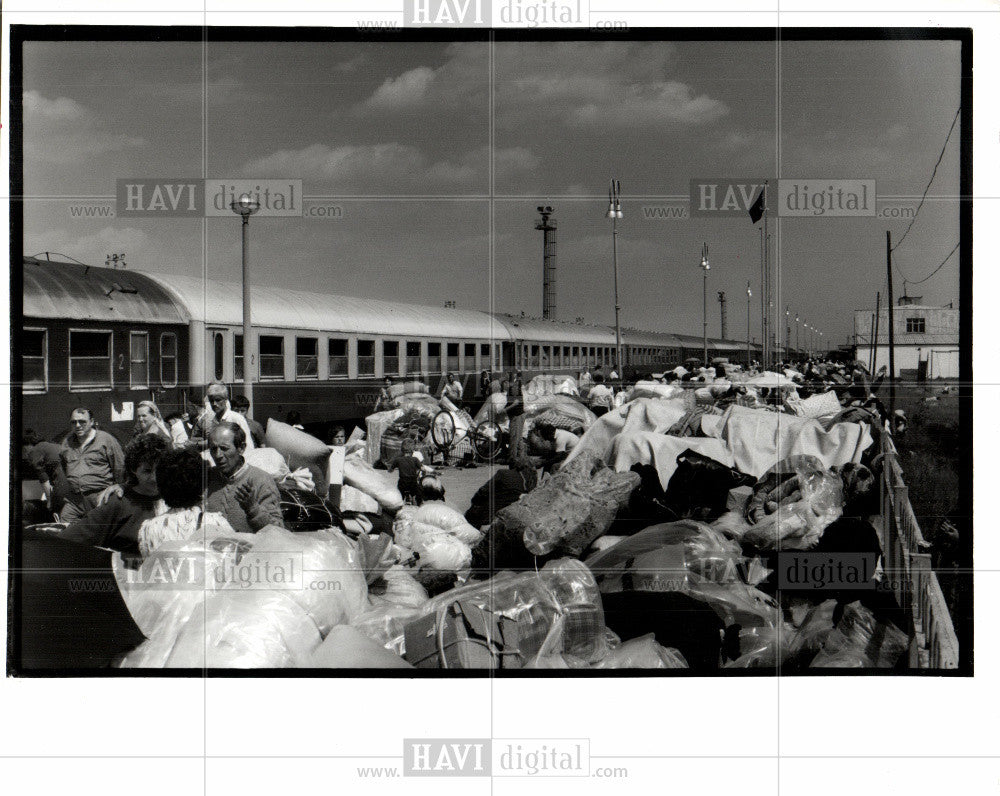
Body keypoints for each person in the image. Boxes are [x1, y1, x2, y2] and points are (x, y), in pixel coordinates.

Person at [62, 434, 169, 555]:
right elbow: (69, 539)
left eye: (160, 469)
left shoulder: (176, 497)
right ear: (134, 469)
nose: (154, 478)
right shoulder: (118, 502)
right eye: (147, 471)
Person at [136, 448, 235, 559]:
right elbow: (233, 560)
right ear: (201, 483)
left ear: (161, 484)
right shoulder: (214, 522)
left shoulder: (147, 529)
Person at [44, 408, 125, 523]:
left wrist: (117, 488)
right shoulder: (67, 442)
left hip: (100, 496)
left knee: (99, 531)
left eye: (82, 421)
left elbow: (120, 467)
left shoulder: (106, 440)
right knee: (65, 525)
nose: (78, 425)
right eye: (74, 422)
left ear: (91, 422)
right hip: (75, 499)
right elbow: (64, 465)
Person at [204, 422, 284, 535]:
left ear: (241, 448)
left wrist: (253, 509)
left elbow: (279, 531)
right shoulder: (207, 478)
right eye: (213, 449)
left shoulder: (261, 480)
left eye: (224, 448)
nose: (218, 455)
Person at [464, 455, 538, 529]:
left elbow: (483, 491)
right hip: (513, 516)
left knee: (471, 515)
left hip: (491, 515)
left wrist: (475, 502)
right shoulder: (531, 481)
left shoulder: (503, 474)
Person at [189, 381, 255, 453]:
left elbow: (248, 446)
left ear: (225, 399)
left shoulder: (236, 418)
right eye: (211, 401)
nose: (214, 404)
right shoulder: (214, 420)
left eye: (218, 400)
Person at [389, 438, 423, 505]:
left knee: (399, 495)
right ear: (412, 450)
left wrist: (392, 469)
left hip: (402, 483)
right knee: (419, 493)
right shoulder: (415, 459)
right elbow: (422, 468)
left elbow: (390, 470)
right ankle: (419, 504)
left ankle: (400, 502)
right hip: (413, 482)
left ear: (402, 449)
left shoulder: (398, 460)